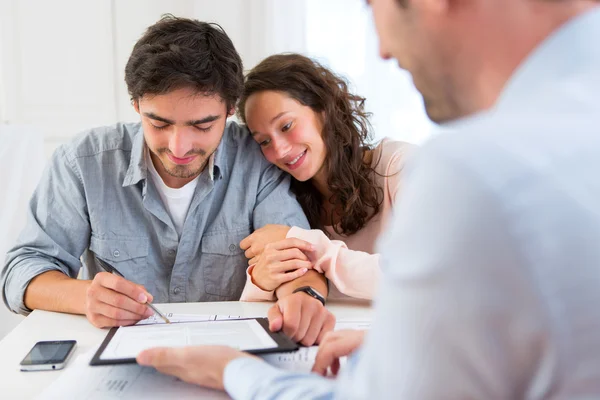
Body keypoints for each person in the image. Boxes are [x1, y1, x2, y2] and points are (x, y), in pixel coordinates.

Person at [136, 0, 600, 398]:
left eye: (371, 5)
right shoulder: (284, 191)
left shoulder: (458, 170)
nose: (383, 50)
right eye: (261, 140)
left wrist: (231, 370)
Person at [1, 15, 334, 345]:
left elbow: (297, 262)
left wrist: (301, 297)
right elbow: (21, 271)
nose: (178, 147)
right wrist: (85, 295)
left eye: (201, 126)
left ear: (232, 108)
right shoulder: (83, 162)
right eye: (159, 123)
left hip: (228, 357)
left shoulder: (258, 158)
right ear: (136, 104)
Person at [234, 53, 414, 301]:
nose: (280, 150)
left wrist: (307, 244)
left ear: (324, 109)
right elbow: (276, 312)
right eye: (264, 141)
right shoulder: (286, 200)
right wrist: (261, 282)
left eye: (286, 126)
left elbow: (422, 276)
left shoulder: (401, 166)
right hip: (331, 339)